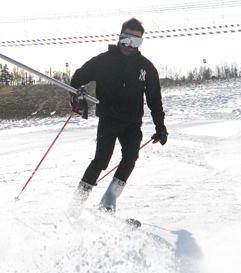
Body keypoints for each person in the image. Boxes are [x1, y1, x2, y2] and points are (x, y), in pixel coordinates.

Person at [68, 17, 167, 213]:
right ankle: (76, 204)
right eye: (127, 39)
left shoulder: (146, 67)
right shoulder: (103, 61)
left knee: (131, 157)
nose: (130, 45)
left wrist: (160, 126)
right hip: (108, 119)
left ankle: (108, 203)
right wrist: (77, 95)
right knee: (101, 160)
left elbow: (154, 99)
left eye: (136, 41)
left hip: (132, 123)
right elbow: (77, 78)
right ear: (120, 37)